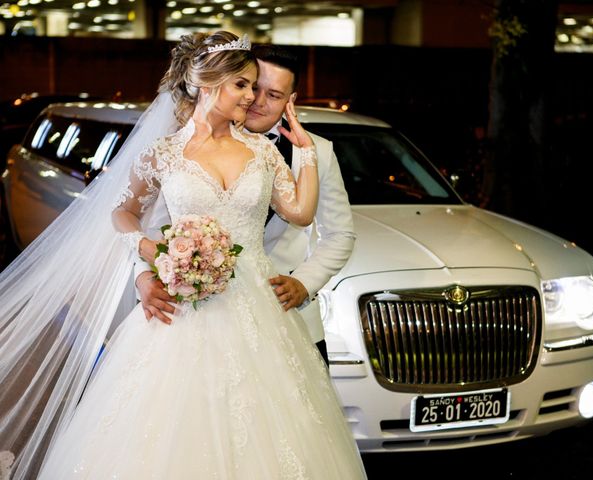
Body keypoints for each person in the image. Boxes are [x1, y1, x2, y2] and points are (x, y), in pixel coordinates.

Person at [0, 31, 367, 479]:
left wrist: (305, 151)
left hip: (260, 307)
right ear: (210, 83)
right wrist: (149, 253)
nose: (253, 98)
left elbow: (303, 215)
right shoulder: (164, 154)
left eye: (264, 91)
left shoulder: (265, 151)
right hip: (184, 307)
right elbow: (124, 211)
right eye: (245, 85)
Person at [134, 44, 355, 366]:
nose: (256, 100)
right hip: (191, 309)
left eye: (274, 95)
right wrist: (144, 276)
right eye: (250, 86)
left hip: (280, 315)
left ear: (290, 101)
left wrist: (304, 283)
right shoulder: (181, 147)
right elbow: (146, 222)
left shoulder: (317, 152)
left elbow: (339, 234)